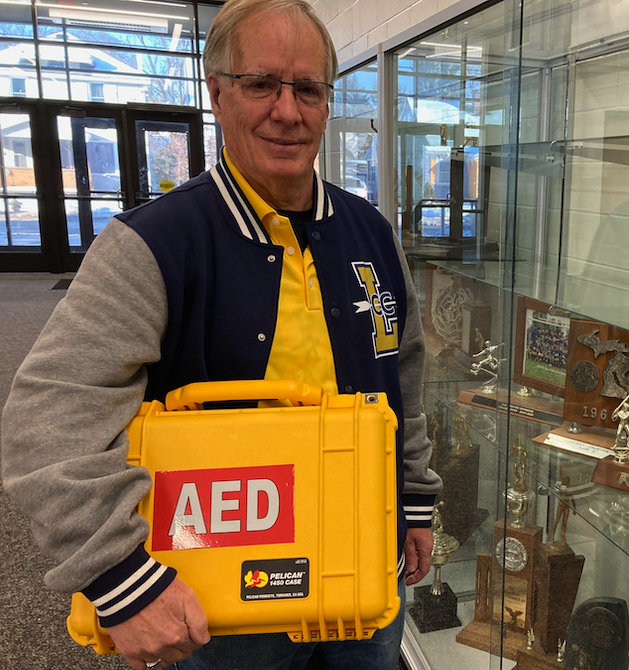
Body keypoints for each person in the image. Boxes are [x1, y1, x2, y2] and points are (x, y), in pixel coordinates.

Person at [0, 1, 440, 669]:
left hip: (362, 571)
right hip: (220, 605)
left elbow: (401, 372)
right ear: (217, 93)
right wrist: (119, 576)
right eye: (261, 83)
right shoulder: (152, 244)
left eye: (308, 89)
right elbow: (49, 415)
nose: (287, 111)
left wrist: (412, 499)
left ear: (327, 102)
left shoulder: (372, 233)